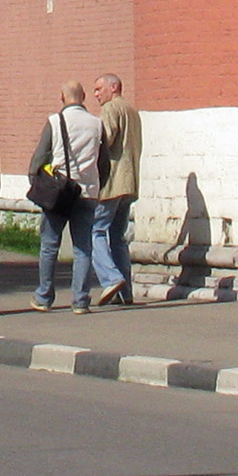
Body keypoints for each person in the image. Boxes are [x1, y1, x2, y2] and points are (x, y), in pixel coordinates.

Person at [27, 81, 103, 313]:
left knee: (50, 244)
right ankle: (80, 300)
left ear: (62, 97)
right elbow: (105, 161)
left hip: (58, 192)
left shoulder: (54, 122)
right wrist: (97, 185)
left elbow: (39, 158)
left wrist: (37, 182)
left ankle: (44, 296)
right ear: (84, 97)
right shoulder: (97, 124)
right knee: (83, 248)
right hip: (87, 191)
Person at [88, 71, 140, 305]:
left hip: (112, 183)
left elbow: (106, 140)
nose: (96, 94)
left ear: (114, 87)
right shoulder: (133, 111)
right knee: (118, 238)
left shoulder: (111, 109)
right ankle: (125, 292)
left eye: (99, 89)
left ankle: (111, 278)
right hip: (130, 183)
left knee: (96, 231)